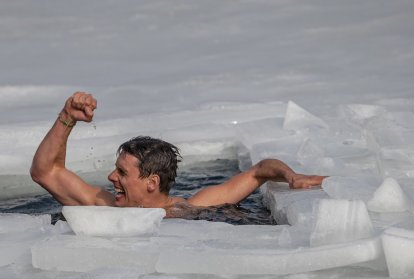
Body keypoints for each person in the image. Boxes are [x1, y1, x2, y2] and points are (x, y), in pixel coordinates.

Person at [31, 92, 326, 217]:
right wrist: (66, 117)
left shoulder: (190, 209)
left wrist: (291, 176)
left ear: (152, 182)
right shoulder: (105, 205)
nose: (111, 177)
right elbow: (45, 172)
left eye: (121, 172)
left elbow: (260, 170)